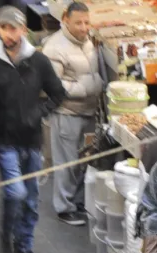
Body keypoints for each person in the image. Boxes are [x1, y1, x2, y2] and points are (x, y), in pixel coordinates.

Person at [0, 5, 67, 253]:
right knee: (15, 193)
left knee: (30, 198)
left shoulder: (38, 61)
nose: (9, 33)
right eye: (4, 28)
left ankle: (24, 247)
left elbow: (58, 93)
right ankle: (7, 235)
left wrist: (39, 112)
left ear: (24, 30)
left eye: (13, 28)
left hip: (31, 140)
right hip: (4, 140)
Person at [43, 2, 102, 226]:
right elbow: (54, 87)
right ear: (66, 19)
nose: (84, 27)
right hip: (67, 113)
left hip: (87, 111)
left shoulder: (86, 41)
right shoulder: (55, 48)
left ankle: (77, 202)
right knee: (66, 163)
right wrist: (88, 86)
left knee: (82, 159)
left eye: (87, 22)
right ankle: (64, 207)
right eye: (78, 23)